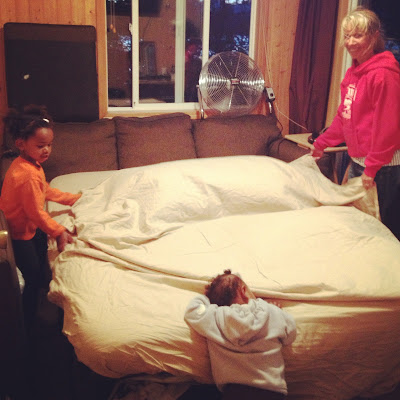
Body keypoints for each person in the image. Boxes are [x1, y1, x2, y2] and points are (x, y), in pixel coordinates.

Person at [311, 7, 400, 240]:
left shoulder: (384, 75)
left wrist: (371, 168)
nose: (350, 42)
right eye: (347, 36)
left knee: (383, 231)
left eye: (357, 35)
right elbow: (345, 116)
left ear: (374, 36)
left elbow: (388, 127)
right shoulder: (353, 74)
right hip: (361, 162)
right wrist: (321, 143)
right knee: (361, 225)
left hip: (384, 167)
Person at [0, 105, 82, 334]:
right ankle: (28, 321)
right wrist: (58, 230)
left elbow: (45, 190)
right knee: (33, 277)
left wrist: (72, 199)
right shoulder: (26, 175)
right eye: (40, 146)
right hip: (19, 234)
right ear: (21, 143)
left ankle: (42, 304)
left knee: (41, 265)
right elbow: (36, 212)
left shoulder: (29, 165)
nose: (47, 150)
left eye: (49, 145)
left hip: (29, 228)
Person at [184, 269, 297, 400]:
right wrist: (278, 311)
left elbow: (193, 310)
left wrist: (206, 298)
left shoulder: (215, 318)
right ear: (243, 291)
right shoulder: (271, 312)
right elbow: (290, 335)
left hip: (234, 392)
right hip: (272, 392)